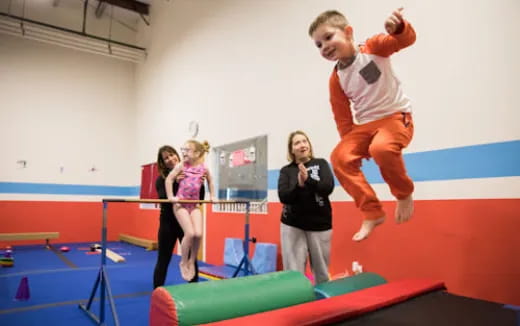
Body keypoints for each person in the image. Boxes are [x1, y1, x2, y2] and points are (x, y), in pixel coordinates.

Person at [309, 8, 416, 241]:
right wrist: (353, 147)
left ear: (348, 32)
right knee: (339, 158)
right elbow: (342, 116)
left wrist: (397, 28)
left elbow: (405, 40)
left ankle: (404, 193)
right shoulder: (336, 78)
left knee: (382, 149)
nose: (324, 46)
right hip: (364, 127)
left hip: (395, 118)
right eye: (318, 45)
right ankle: (372, 212)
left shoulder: (373, 48)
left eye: (328, 37)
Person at [278, 130, 334, 284]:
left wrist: (307, 180)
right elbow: (284, 196)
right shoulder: (286, 171)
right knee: (294, 272)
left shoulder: (321, 163)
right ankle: (296, 303)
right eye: (297, 142)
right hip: (293, 225)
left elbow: (327, 188)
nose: (302, 145)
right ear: (291, 150)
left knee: (322, 272)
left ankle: (323, 304)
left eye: (304, 141)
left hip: (320, 225)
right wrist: (299, 185)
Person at [153, 145, 205, 288]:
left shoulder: (191, 173)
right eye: (166, 158)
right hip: (168, 224)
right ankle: (157, 291)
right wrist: (176, 181)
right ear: (162, 163)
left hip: (185, 222)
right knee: (163, 259)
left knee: (190, 258)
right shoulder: (161, 179)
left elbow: (200, 198)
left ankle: (194, 291)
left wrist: (199, 182)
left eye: (171, 155)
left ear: (177, 154)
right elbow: (164, 197)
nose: (170, 159)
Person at [165, 140, 215, 281]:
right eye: (183, 149)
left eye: (187, 150)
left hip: (194, 205)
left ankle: (192, 260)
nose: (183, 152)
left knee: (198, 234)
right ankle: (183, 261)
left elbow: (211, 181)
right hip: (180, 204)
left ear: (197, 153)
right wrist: (171, 197)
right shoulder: (182, 165)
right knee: (190, 233)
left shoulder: (204, 168)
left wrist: (212, 196)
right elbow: (169, 180)